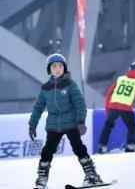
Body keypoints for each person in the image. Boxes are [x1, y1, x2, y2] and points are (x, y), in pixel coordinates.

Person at [29, 53, 103, 189]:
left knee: (79, 148)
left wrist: (80, 121)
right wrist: (32, 124)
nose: (57, 69)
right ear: (49, 70)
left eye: (60, 66)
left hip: (71, 123)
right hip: (53, 125)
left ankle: (92, 175)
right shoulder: (46, 88)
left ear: (64, 68)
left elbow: (79, 104)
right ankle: (41, 180)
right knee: (47, 151)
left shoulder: (70, 84)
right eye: (54, 66)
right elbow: (38, 107)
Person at [98, 61, 135, 153]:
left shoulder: (120, 79)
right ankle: (131, 145)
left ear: (130, 69)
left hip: (113, 106)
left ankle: (102, 146)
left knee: (108, 126)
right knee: (132, 127)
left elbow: (109, 94)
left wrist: (107, 109)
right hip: (126, 108)